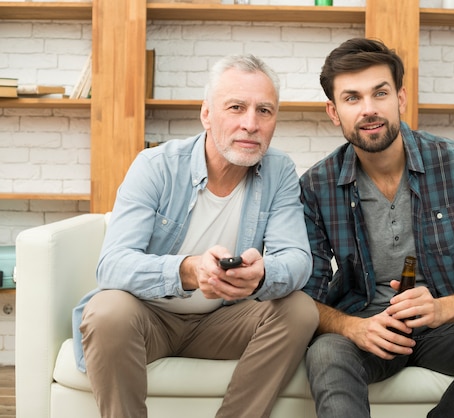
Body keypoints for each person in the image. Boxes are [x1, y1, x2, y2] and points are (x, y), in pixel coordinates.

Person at [299, 37, 454, 418]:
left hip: (447, 327)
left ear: (399, 98)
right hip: (369, 329)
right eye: (352, 98)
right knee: (326, 350)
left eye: (379, 93)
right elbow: (306, 297)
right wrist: (352, 327)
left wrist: (441, 309)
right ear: (334, 112)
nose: (369, 109)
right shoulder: (316, 185)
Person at [71, 54, 319, 418]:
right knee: (106, 310)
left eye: (264, 111)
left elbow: (297, 258)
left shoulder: (279, 170)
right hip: (148, 319)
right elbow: (112, 266)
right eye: (236, 107)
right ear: (206, 114)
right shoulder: (155, 166)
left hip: (223, 322)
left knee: (299, 309)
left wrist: (262, 274)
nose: (250, 124)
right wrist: (189, 270)